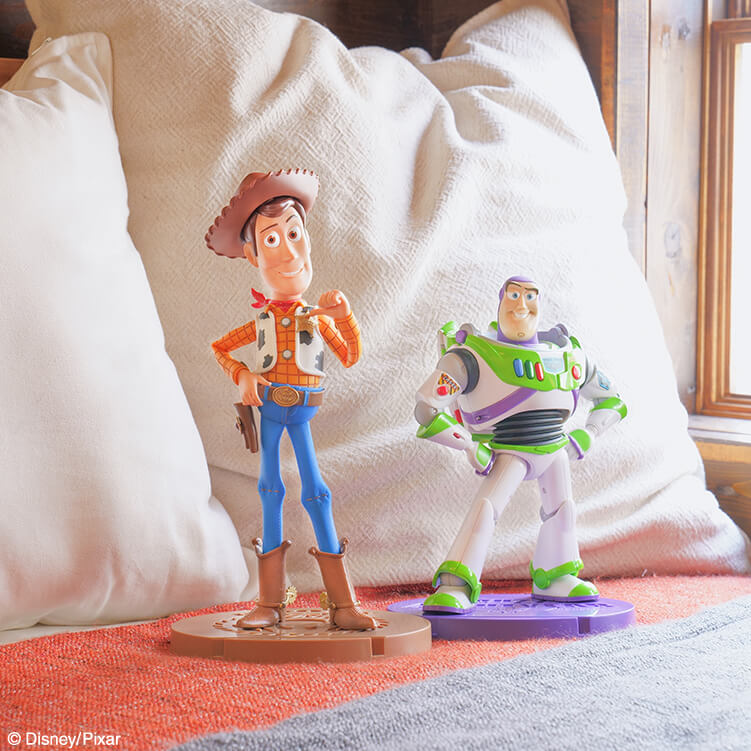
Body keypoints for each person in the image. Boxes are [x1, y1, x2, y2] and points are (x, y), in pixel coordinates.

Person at [207, 168, 376, 630]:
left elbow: (350, 355)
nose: (288, 252)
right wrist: (243, 374)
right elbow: (220, 348)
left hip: (301, 411)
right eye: (272, 239)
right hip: (269, 409)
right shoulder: (261, 322)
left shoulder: (317, 318)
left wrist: (346, 317)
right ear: (253, 254)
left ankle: (343, 604)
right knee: (270, 488)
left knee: (316, 491)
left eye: (295, 234)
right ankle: (269, 602)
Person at [414, 276, 627, 613]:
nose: (521, 305)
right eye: (513, 295)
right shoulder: (473, 356)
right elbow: (427, 409)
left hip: (555, 448)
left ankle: (556, 575)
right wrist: (468, 445)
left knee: (562, 510)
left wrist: (587, 434)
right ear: (501, 301)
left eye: (530, 296)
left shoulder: (569, 355)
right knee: (486, 510)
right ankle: (456, 583)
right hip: (508, 449)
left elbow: (613, 401)